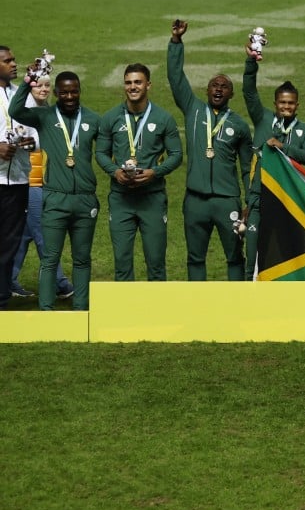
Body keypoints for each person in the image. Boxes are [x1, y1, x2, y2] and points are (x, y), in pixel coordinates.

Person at [167, 19, 254, 281]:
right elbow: (175, 76)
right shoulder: (193, 109)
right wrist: (176, 42)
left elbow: (248, 166)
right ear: (206, 90)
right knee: (195, 257)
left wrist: (249, 200)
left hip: (227, 200)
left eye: (224, 86)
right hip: (195, 200)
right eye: (214, 85)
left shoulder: (239, 125)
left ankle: (238, 307)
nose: (218, 88)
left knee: (235, 256)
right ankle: (198, 309)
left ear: (231, 94)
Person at [10, 69, 101, 310]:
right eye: (64, 92)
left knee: (82, 260)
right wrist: (27, 81)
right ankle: (46, 309)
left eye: (74, 91)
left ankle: (81, 307)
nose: (69, 96)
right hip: (55, 200)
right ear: (57, 93)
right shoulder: (44, 116)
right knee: (50, 259)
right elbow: (14, 111)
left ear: (80, 91)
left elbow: (104, 153)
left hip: (85, 200)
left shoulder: (93, 119)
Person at [95, 64, 183, 281]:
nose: (132, 87)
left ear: (148, 85)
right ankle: (125, 313)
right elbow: (101, 153)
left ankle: (156, 313)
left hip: (152, 199)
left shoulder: (163, 118)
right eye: (128, 82)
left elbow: (176, 154)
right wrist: (115, 172)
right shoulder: (111, 117)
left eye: (137, 82)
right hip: (121, 199)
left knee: (156, 263)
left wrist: (155, 172)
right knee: (122, 263)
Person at [242, 48, 305, 280]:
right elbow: (248, 91)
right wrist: (251, 61)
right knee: (252, 257)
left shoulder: (304, 130)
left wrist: (283, 147)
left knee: (286, 259)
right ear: (275, 103)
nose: (286, 106)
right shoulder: (263, 119)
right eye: (282, 102)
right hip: (260, 201)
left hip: (289, 203)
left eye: (291, 103)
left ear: (297, 105)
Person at [10, 76, 73, 299]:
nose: (44, 89)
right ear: (29, 87)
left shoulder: (46, 110)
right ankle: (59, 283)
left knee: (24, 233)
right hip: (31, 182)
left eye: (48, 85)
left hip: (38, 182)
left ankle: (8, 279)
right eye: (39, 85)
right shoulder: (23, 110)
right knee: (44, 234)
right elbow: (21, 142)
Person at [0, 45, 32, 310]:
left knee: (10, 242)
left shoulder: (20, 95)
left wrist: (30, 141)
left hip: (18, 181)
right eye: (7, 60)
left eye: (14, 58)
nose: (14, 63)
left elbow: (36, 131)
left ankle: (1, 297)